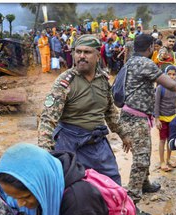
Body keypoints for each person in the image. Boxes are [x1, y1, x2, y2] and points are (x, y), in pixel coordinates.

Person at [38, 34, 123, 186]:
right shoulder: (65, 82)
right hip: (70, 143)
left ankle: (121, 209)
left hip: (97, 142)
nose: (81, 56)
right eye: (78, 52)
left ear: (98, 55)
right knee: (73, 188)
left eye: (87, 52)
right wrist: (45, 152)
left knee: (112, 182)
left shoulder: (102, 80)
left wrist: (124, 134)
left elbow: (110, 112)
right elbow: (48, 119)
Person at [117, 34, 176, 215]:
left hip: (133, 117)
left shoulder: (130, 62)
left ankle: (145, 184)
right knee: (141, 160)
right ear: (152, 47)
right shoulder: (145, 63)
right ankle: (132, 205)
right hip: (136, 119)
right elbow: (170, 84)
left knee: (145, 152)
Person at [0, 143, 109, 215]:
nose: (20, 204)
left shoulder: (80, 205)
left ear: (41, 184)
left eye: (26, 197)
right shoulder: (45, 180)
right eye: (14, 198)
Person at [154, 65, 176, 172]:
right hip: (163, 119)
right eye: (169, 74)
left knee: (170, 140)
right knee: (162, 140)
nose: (171, 76)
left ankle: (168, 159)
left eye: (174, 74)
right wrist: (157, 119)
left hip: (173, 118)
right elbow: (156, 104)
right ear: (165, 75)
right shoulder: (160, 88)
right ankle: (162, 161)